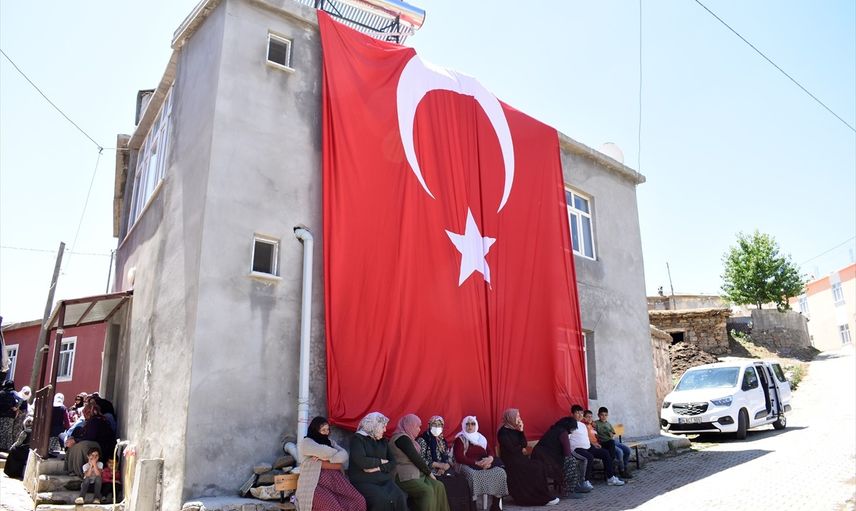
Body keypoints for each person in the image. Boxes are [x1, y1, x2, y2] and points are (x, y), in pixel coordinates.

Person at [296, 416, 366, 511]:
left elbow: (344, 455)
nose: (326, 432)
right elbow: (326, 452)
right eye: (323, 430)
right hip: (315, 485)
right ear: (315, 430)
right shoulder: (307, 443)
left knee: (359, 501)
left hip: (335, 483)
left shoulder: (330, 442)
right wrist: (333, 456)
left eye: (328, 429)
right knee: (333, 508)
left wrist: (323, 458)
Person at [496, 409, 559, 506]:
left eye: (519, 416)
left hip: (519, 458)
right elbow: (511, 449)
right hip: (511, 460)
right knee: (533, 468)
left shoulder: (516, 430)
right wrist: (520, 448)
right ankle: (531, 497)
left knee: (539, 465)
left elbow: (524, 444)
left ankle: (542, 495)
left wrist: (521, 430)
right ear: (510, 417)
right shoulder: (503, 432)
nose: (519, 418)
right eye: (517, 416)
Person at [348, 412, 408, 511]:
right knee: (381, 500)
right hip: (364, 481)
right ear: (374, 426)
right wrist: (381, 461)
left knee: (400, 497)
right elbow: (362, 461)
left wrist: (378, 468)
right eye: (383, 427)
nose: (385, 430)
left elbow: (393, 462)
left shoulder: (382, 441)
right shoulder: (358, 439)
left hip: (384, 480)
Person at [389, 414, 449, 511]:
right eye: (417, 426)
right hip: (404, 476)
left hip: (417, 473)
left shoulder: (410, 439)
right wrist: (429, 473)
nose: (419, 429)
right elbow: (416, 458)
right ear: (409, 425)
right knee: (427, 491)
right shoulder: (401, 438)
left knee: (439, 486)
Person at [416, 416, 475, 511]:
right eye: (434, 425)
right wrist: (438, 465)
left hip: (443, 470)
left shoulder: (442, 440)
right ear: (429, 425)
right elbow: (420, 460)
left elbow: (447, 457)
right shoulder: (423, 440)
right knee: (447, 484)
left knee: (462, 481)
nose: (437, 427)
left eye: (439, 425)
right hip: (429, 471)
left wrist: (444, 466)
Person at [452, 416, 507, 511]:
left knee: (500, 472)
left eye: (472, 424)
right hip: (467, 464)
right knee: (473, 475)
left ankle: (495, 504)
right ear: (464, 425)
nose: (470, 426)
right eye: (467, 424)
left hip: (484, 463)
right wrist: (476, 463)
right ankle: (473, 505)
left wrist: (489, 459)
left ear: (476, 425)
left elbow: (490, 451)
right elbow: (459, 457)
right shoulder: (460, 439)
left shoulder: (481, 438)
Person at [531, 416, 585, 499]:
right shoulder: (563, 433)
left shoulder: (553, 430)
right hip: (548, 460)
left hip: (537, 458)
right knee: (572, 461)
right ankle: (569, 490)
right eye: (573, 428)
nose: (573, 431)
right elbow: (567, 452)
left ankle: (573, 486)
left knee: (570, 460)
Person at [569, 405, 624, 487]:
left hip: (588, 447)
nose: (580, 415)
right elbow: (567, 438)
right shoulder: (570, 424)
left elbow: (586, 438)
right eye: (577, 413)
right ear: (572, 414)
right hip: (577, 449)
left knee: (605, 453)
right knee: (589, 457)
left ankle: (610, 478)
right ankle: (585, 481)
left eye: (581, 413)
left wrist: (593, 444)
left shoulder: (582, 425)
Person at [65, 403, 116, 478]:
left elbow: (90, 437)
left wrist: (75, 440)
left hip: (102, 448)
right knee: (75, 444)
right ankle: (71, 470)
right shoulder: (90, 421)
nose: (85, 415)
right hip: (95, 444)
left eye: (86, 412)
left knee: (81, 446)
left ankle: (80, 472)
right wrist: (73, 439)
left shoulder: (96, 420)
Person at [593, 407, 633, 479]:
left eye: (605, 415)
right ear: (598, 415)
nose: (604, 417)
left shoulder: (608, 423)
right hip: (605, 443)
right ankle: (622, 471)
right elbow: (593, 431)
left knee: (627, 450)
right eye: (602, 415)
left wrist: (611, 434)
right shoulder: (596, 423)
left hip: (613, 441)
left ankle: (625, 467)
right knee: (620, 452)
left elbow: (612, 433)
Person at [0, 380, 21, 451]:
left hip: (1, 415)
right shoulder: (13, 394)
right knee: (8, 432)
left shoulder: (1, 393)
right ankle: (8, 448)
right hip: (10, 416)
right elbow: (20, 400)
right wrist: (16, 408)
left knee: (1, 430)